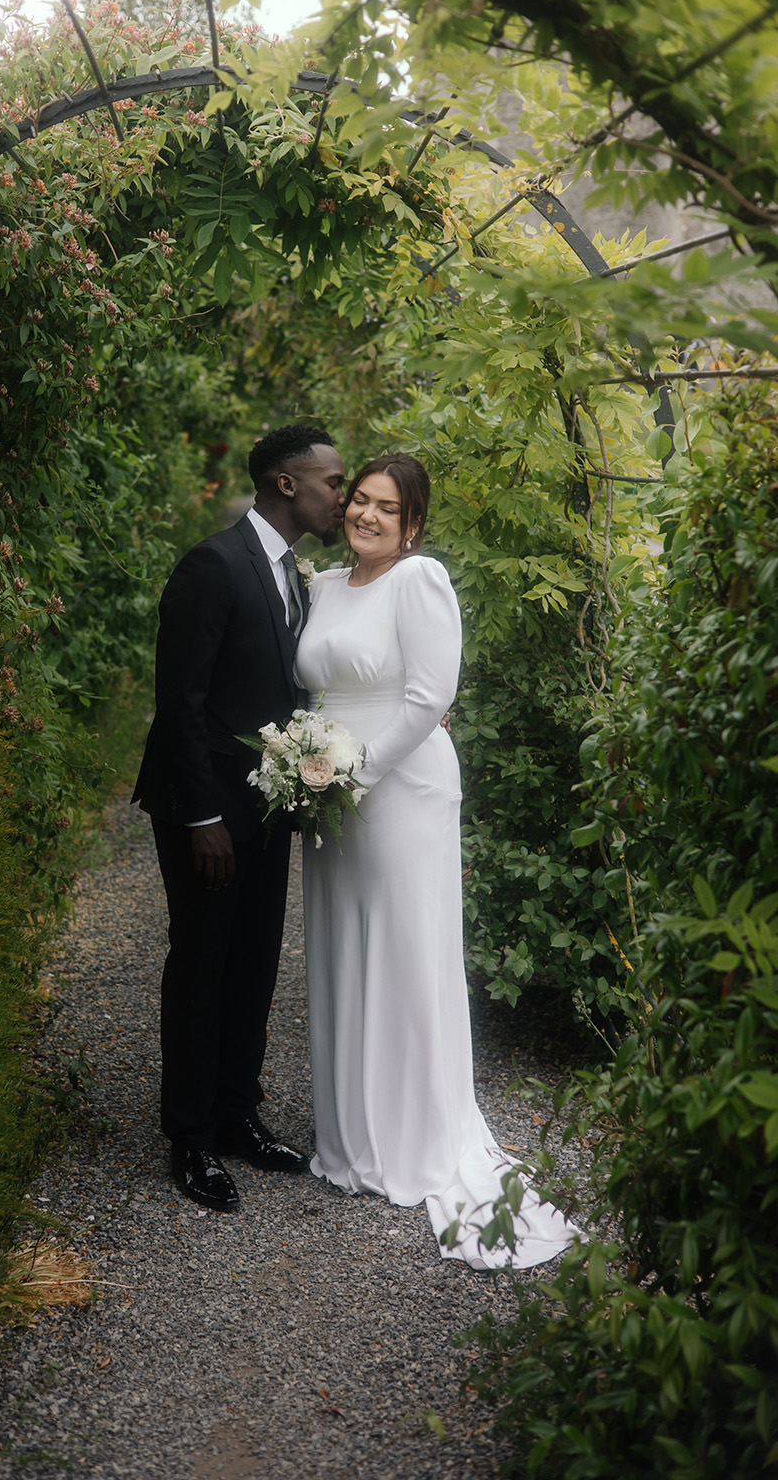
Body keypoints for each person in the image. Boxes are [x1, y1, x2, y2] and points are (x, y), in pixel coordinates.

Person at [295, 453, 577, 1269]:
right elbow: (316, 690)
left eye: (388, 507)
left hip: (398, 786)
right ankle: (350, 1133)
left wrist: (354, 774)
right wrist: (305, 765)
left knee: (407, 950)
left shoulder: (420, 582)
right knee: (345, 943)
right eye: (359, 500)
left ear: (413, 523)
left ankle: (415, 1135)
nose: (368, 515)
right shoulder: (321, 589)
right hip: (326, 786)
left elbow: (430, 698)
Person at [133, 425, 346, 1213]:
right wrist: (200, 818)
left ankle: (236, 1115)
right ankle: (187, 1136)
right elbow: (180, 704)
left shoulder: (298, 576)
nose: (343, 494)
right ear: (287, 484)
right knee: (201, 961)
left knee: (254, 959)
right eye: (333, 480)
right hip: (209, 811)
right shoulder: (212, 566)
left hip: (269, 803)